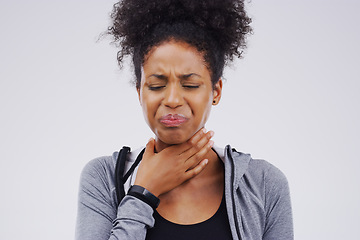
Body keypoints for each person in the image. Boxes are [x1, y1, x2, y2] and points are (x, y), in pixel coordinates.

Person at [75, 0, 293, 239]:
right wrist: (143, 193)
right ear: (139, 92)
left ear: (216, 91)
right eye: (157, 85)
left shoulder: (263, 183)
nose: (172, 99)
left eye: (190, 84)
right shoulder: (104, 177)